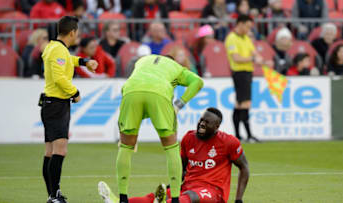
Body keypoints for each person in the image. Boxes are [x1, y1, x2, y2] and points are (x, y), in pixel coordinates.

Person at [98, 108, 250, 203]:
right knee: (152, 197)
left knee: (188, 196)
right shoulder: (189, 138)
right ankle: (117, 201)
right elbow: (181, 167)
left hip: (213, 192)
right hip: (187, 185)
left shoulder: (229, 142)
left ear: (216, 127)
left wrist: (238, 199)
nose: (202, 124)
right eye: (201, 120)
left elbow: (244, 167)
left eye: (207, 122)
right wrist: (175, 183)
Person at [116, 54, 204, 203]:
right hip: (160, 93)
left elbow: (132, 88)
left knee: (125, 147)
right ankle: (175, 199)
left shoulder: (142, 60)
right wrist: (178, 105)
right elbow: (198, 82)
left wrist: (132, 127)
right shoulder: (177, 68)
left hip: (130, 91)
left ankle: (123, 198)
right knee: (171, 147)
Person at [39, 16, 98, 203]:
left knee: (50, 152)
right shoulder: (58, 50)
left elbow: (66, 60)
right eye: (77, 32)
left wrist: (84, 61)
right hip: (56, 104)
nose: (77, 35)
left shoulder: (56, 48)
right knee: (59, 151)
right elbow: (59, 77)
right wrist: (75, 92)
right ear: (72, 32)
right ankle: (54, 195)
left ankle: (52, 195)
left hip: (52, 104)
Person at [224, 15, 263, 142]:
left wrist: (260, 59)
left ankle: (240, 136)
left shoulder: (246, 38)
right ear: (240, 24)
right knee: (244, 103)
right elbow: (236, 58)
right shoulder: (231, 38)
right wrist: (253, 59)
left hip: (247, 72)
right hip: (239, 73)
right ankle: (246, 135)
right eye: (247, 26)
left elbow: (254, 53)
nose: (248, 29)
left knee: (240, 104)